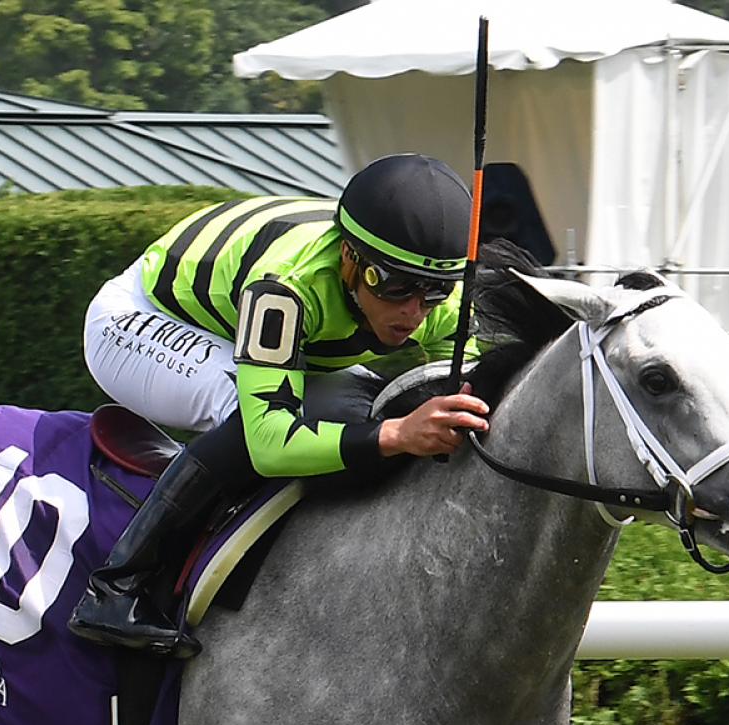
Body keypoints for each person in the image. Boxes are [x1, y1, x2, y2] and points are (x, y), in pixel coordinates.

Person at [69, 152, 491, 658]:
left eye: (433, 293)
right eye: (394, 285)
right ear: (349, 259)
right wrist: (397, 435)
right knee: (251, 413)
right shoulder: (286, 289)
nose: (412, 313)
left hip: (246, 319)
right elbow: (268, 442)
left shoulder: (436, 298)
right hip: (141, 317)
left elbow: (454, 383)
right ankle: (116, 587)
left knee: (357, 405)